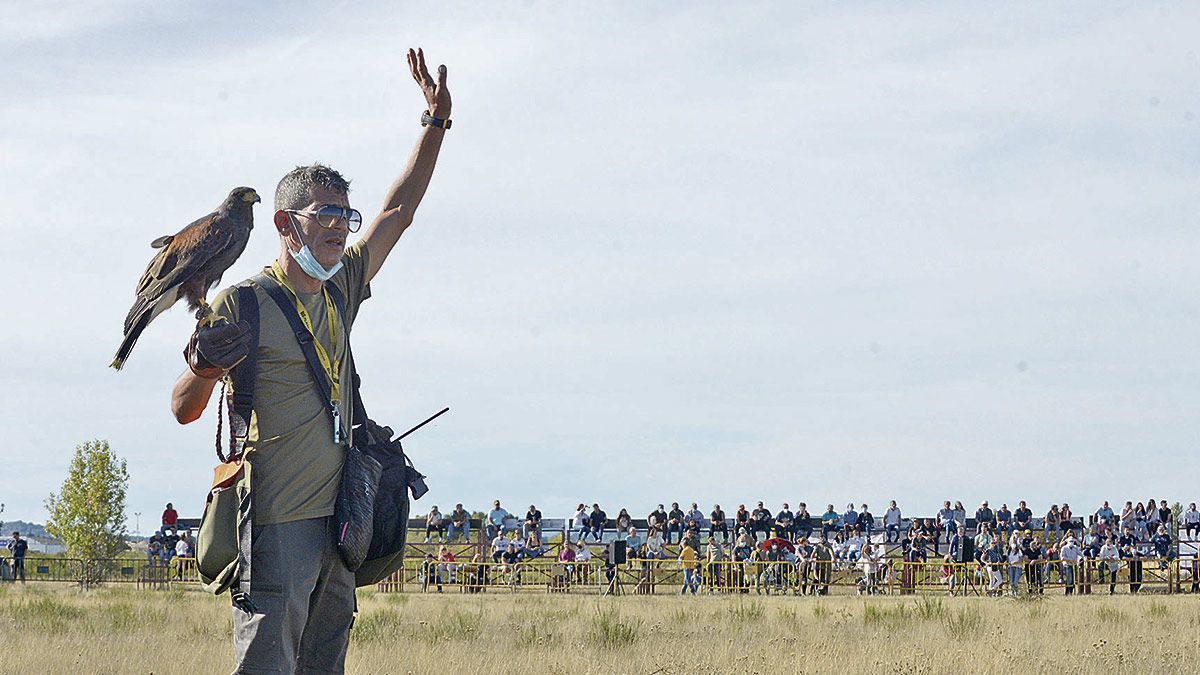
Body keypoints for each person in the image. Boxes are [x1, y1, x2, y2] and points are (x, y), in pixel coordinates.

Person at [168, 49, 451, 671]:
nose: (340, 227)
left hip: (340, 525)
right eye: (323, 213)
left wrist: (435, 124)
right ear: (283, 222)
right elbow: (183, 407)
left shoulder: (341, 287)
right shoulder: (241, 301)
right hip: (275, 527)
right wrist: (207, 365)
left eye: (344, 215)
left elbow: (397, 212)